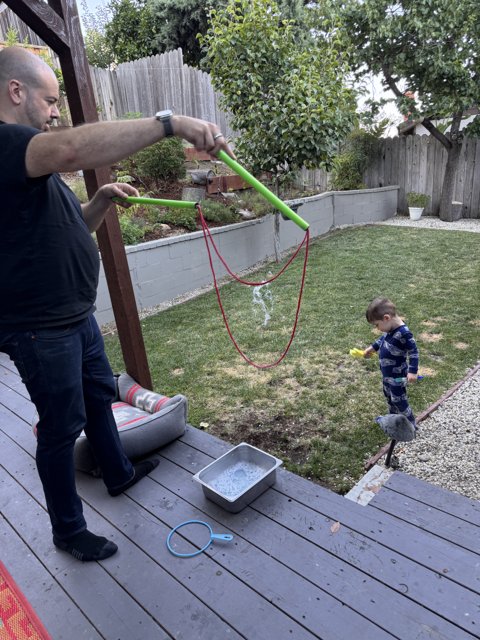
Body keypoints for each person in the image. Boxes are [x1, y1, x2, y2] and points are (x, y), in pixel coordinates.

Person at [0, 46, 234, 562]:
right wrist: (169, 124)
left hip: (73, 316)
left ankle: (118, 472)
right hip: (40, 328)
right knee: (61, 427)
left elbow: (70, 228)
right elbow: (69, 150)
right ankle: (68, 530)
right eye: (50, 99)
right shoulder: (8, 144)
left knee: (101, 394)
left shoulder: (27, 159)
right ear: (15, 92)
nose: (57, 111)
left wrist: (101, 201)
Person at [363, 297, 419, 429]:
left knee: (399, 401)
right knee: (389, 398)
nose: (377, 328)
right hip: (387, 376)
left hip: (397, 377)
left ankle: (411, 425)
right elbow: (383, 339)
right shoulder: (390, 329)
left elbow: (414, 352)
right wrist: (372, 348)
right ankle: (393, 421)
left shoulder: (405, 333)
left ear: (386, 318)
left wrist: (412, 371)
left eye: (377, 324)